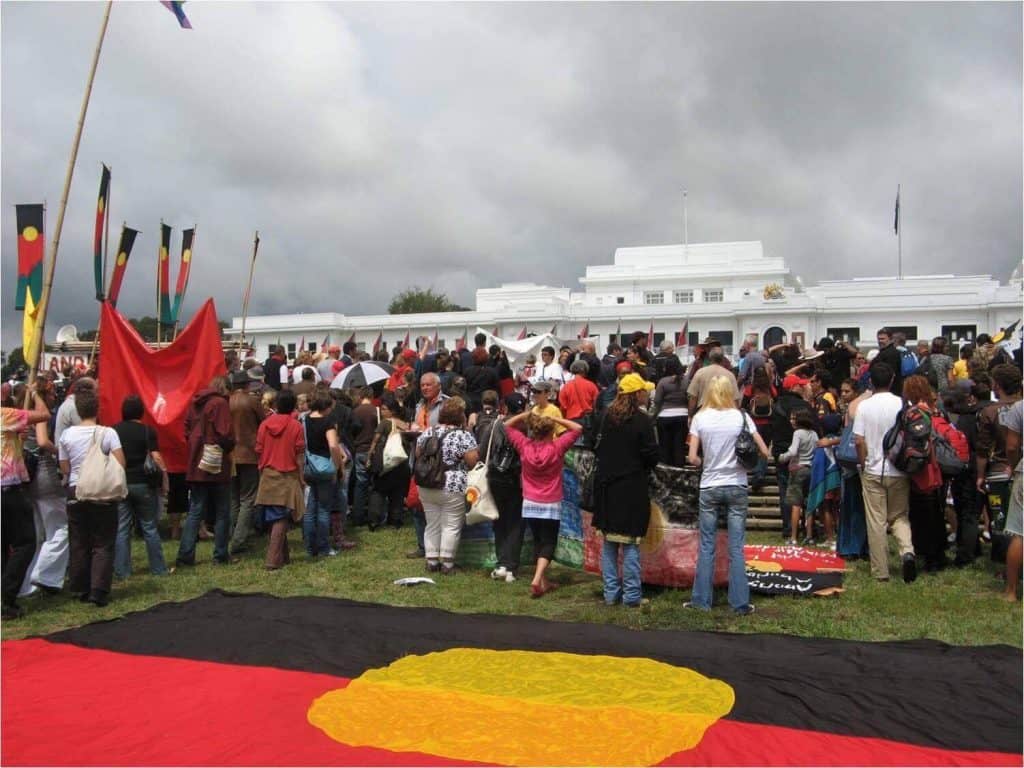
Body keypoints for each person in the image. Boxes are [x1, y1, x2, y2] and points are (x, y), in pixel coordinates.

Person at [686, 375, 770, 614]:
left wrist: (704, 460)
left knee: (707, 545)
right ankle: (740, 602)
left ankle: (701, 601)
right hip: (737, 484)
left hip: (710, 485)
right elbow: (764, 451)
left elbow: (692, 458)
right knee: (736, 547)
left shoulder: (700, 418)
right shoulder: (742, 417)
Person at [592, 373, 660, 606]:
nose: (647, 394)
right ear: (637, 394)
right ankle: (632, 596)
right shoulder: (642, 421)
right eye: (644, 391)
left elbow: (594, 445)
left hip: (607, 487)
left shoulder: (605, 417)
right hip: (632, 487)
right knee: (631, 543)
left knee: (610, 544)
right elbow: (651, 454)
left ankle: (611, 593)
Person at [503, 408, 583, 598]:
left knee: (538, 539)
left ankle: (544, 582)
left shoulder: (524, 446)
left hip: (530, 501)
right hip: (551, 502)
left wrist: (525, 416)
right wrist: (555, 417)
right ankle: (538, 578)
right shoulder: (557, 447)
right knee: (548, 542)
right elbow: (578, 428)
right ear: (550, 431)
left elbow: (505, 426)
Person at [58, 388, 126, 607]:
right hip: (101, 491)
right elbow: (120, 463)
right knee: (103, 541)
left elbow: (64, 466)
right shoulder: (108, 433)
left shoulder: (66, 435)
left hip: (75, 489)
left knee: (79, 540)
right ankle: (98, 589)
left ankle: (79, 586)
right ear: (97, 409)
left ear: (77, 410)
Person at [853, 363, 917, 583]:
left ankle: (881, 570)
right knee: (899, 516)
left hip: (873, 468)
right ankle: (907, 551)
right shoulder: (902, 403)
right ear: (892, 380)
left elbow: (859, 440)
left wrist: (863, 463)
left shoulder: (864, 406)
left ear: (871, 381)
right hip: (898, 468)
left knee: (876, 521)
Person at [2, 385, 51, 618]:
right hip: (8, 489)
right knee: (25, 543)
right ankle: (6, 596)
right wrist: (35, 394)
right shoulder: (5, 415)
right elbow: (44, 414)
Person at [176, 376, 236, 568]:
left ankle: (185, 556)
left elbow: (186, 428)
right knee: (221, 511)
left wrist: (196, 445)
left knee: (195, 510)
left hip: (196, 463)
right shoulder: (220, 403)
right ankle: (220, 554)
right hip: (216, 464)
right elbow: (225, 433)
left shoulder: (196, 403)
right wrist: (228, 446)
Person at [414, 397, 479, 575]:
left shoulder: (429, 431)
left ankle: (432, 561)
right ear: (461, 417)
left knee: (432, 523)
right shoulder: (463, 435)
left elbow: (418, 453)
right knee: (451, 525)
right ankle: (448, 564)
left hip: (427, 484)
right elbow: (472, 461)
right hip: (452, 484)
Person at [20, 374, 69, 598]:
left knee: (38, 534)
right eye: (50, 393)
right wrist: (61, 452)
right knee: (61, 528)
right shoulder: (39, 415)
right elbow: (42, 441)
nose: (53, 397)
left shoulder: (20, 412)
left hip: (28, 478)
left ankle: (27, 584)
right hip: (44, 475)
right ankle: (44, 574)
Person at [112, 395, 170, 579]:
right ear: (141, 412)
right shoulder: (147, 431)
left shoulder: (113, 431)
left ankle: (122, 571)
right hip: (144, 483)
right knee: (149, 527)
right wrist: (164, 478)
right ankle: (159, 569)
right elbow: (156, 457)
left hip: (121, 483)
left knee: (122, 528)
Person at [474, 391, 525, 583]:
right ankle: (511, 565)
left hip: (495, 477)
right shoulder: (526, 426)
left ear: (504, 407)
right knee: (515, 523)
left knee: (500, 521)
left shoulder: (494, 425)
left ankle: (502, 562)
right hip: (517, 479)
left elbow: (482, 451)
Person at [255, 389, 306, 570]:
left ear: (276, 405)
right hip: (287, 474)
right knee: (280, 517)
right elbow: (299, 456)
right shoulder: (296, 426)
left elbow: (259, 450)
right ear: (293, 406)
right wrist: (301, 477)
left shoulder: (264, 424)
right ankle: (272, 559)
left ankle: (283, 556)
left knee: (275, 515)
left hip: (268, 473)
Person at [902, 375, 948, 572]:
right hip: (933, 465)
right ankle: (938, 553)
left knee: (922, 514)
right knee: (935, 512)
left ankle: (929, 556)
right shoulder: (935, 410)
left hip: (921, 467)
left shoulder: (914, 412)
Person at [302, 391, 344, 556]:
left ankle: (310, 547)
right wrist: (337, 465)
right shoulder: (328, 422)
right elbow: (333, 445)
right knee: (324, 509)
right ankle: (324, 547)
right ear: (326, 406)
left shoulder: (304, 420)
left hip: (309, 467)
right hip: (325, 467)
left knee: (310, 510)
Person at [228, 370, 265, 556]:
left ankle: (234, 534)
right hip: (249, 454)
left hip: (231, 455)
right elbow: (264, 423)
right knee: (247, 499)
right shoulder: (252, 401)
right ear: (247, 384)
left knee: (234, 498)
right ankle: (239, 539)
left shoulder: (226, 401)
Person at [366, 393, 411, 530]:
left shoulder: (385, 423)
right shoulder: (405, 425)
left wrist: (369, 457)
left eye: (384, 409)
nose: (382, 411)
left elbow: (375, 441)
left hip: (386, 464)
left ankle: (374, 520)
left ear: (392, 410)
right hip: (401, 463)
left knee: (378, 491)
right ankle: (395, 520)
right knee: (397, 493)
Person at [836, 379, 870, 560]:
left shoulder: (856, 408)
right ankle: (855, 546)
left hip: (854, 464)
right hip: (852, 464)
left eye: (847, 391)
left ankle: (853, 546)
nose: (843, 395)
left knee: (854, 507)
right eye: (842, 391)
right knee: (852, 507)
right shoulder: (854, 407)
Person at [778, 409, 819, 545]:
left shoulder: (798, 433)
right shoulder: (814, 434)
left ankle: (794, 537)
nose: (791, 421)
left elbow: (793, 451)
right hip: (810, 469)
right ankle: (809, 535)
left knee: (796, 504)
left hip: (798, 469)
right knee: (809, 504)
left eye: (794, 418)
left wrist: (782, 457)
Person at [999, 398, 1021, 601]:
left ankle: (1011, 591)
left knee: (1019, 533)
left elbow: (1012, 447)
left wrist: (1014, 466)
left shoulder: (1019, 408)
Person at [652, 356, 689, 467]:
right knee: (679, 446)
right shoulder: (686, 381)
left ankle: (666, 473)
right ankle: (679, 472)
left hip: (665, 416)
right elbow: (690, 398)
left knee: (665, 447)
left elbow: (657, 401)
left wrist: (653, 416)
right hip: (683, 416)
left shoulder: (663, 382)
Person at [349, 387, 378, 527]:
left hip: (359, 449)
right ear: (372, 396)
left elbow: (352, 431)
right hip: (373, 450)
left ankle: (357, 516)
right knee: (374, 484)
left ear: (360, 396)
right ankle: (373, 515)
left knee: (360, 485)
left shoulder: (355, 412)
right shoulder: (376, 411)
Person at [687, 348, 739, 414]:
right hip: (725, 412)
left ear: (710, 358)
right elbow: (735, 399)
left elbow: (693, 397)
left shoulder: (700, 373)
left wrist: (690, 415)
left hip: (703, 411)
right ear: (723, 359)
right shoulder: (730, 375)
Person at [462, 347, 500, 414]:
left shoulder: (467, 371)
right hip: (487, 403)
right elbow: (497, 389)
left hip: (470, 403)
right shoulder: (492, 372)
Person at [870, 328, 904, 396]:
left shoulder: (891, 353)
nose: (880, 341)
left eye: (883, 339)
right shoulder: (883, 352)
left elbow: (890, 374)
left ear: (891, 339)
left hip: (889, 392)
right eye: (879, 339)